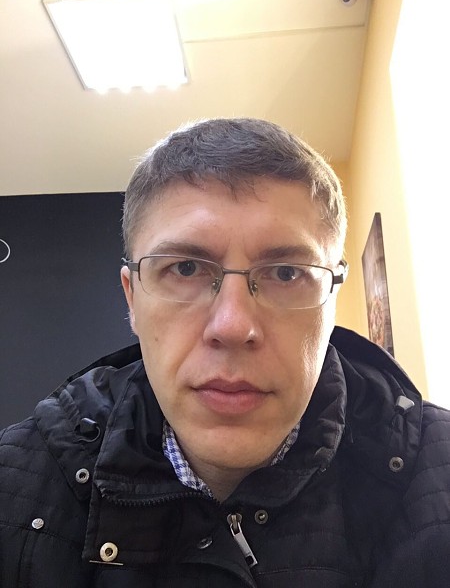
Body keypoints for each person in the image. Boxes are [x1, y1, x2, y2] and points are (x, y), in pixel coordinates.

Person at [0, 118, 449, 588]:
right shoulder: (16, 491)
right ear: (132, 298)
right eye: (185, 268)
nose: (233, 327)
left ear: (332, 297)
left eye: (286, 273)